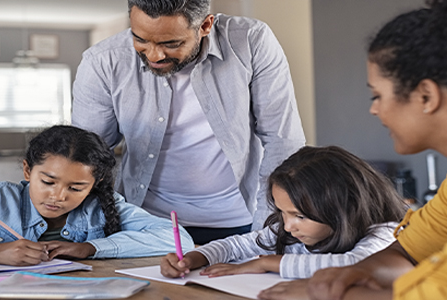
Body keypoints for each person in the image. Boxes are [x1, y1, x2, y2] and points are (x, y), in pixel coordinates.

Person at [258, 0, 447, 299]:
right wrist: (348, 277)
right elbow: (408, 250)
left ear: (426, 96)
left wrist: (328, 295)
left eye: (377, 96)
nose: (374, 111)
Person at [71, 0, 306, 244]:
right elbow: (84, 157)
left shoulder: (250, 41)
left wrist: (265, 230)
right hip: (146, 224)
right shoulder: (102, 61)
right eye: (140, 39)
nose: (154, 55)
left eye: (170, 43)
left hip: (241, 221)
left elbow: (283, 140)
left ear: (205, 25)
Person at [0, 125, 194, 265]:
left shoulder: (103, 205)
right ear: (28, 171)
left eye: (76, 188)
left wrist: (91, 247)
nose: (58, 196)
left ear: (95, 184)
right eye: (48, 181)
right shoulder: (0, 199)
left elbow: (177, 238)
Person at [160, 146, 406, 279]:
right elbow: (236, 246)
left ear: (345, 207)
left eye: (300, 216)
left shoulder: (384, 233)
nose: (288, 226)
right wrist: (196, 258)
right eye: (282, 212)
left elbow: (357, 264)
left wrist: (269, 263)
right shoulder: (289, 229)